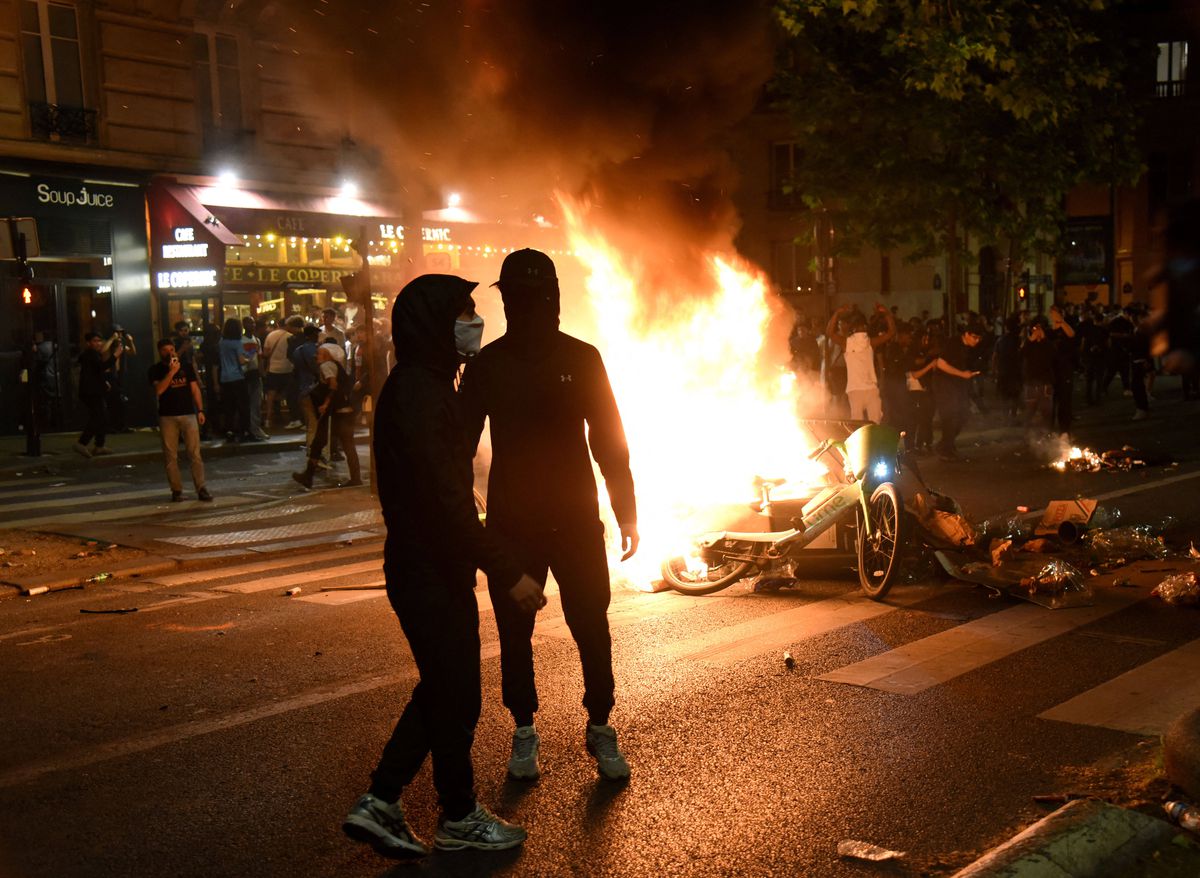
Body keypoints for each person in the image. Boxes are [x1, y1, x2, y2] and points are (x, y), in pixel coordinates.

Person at [343, 274, 540, 858]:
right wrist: (509, 570)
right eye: (464, 312)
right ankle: (405, 802)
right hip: (427, 568)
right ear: (434, 323)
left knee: (451, 692)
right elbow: (448, 504)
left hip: (432, 567)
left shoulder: (425, 384)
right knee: (451, 692)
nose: (474, 321)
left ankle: (438, 811)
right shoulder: (420, 393)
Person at [460, 248, 639, 782]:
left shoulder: (574, 359)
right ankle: (531, 730)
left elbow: (609, 439)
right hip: (519, 522)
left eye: (524, 296)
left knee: (584, 625)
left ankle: (591, 725)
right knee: (543, 631)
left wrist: (626, 510)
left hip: (565, 519)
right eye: (519, 297)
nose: (525, 306)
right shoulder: (492, 364)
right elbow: (461, 442)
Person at [148, 339, 213, 502]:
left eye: (171, 349)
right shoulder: (155, 370)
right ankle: (176, 490)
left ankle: (201, 487)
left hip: (188, 414)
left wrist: (200, 410)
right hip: (167, 416)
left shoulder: (186, 367)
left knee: (194, 453)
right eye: (165, 350)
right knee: (171, 455)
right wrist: (171, 372)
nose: (169, 352)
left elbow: (194, 389)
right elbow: (159, 390)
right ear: (159, 352)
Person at [292, 343, 361, 488]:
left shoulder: (327, 365)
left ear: (328, 355)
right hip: (344, 411)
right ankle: (356, 478)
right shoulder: (336, 366)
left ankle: (308, 476)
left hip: (335, 412)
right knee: (347, 445)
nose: (316, 356)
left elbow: (333, 385)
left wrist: (326, 403)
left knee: (319, 442)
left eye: (319, 353)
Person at [825, 302, 895, 422]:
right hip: (856, 389)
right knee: (859, 423)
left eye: (863, 326)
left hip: (868, 389)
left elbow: (891, 333)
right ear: (854, 329)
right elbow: (830, 333)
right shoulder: (849, 343)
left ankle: (872, 440)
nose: (862, 329)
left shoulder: (867, 342)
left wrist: (887, 314)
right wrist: (887, 314)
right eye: (860, 327)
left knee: (873, 421)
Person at [932, 322, 983, 461]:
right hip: (945, 386)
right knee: (950, 416)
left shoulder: (970, 348)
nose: (976, 341)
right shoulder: (953, 343)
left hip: (958, 386)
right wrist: (962, 374)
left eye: (979, 338)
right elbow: (940, 364)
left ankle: (946, 444)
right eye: (974, 337)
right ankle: (946, 449)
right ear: (966, 334)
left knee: (963, 414)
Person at [74, 332, 113, 458]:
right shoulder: (90, 354)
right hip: (91, 391)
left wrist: (104, 382)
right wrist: (116, 356)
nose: (98, 343)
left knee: (102, 416)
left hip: (93, 390)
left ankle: (99, 445)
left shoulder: (92, 354)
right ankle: (82, 443)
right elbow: (102, 367)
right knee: (98, 417)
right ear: (88, 343)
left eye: (99, 341)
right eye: (95, 341)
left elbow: (95, 372)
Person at [216, 318, 251, 442]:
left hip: (225, 378)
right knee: (243, 405)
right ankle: (244, 431)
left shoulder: (221, 342)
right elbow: (241, 361)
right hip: (237, 377)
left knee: (229, 406)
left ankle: (229, 430)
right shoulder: (237, 343)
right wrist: (248, 359)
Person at [263, 315, 301, 428]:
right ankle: (293, 418)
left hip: (273, 369)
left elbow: (265, 354)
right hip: (288, 368)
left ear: (278, 325)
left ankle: (268, 419)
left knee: (271, 394)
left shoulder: (270, 335)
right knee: (289, 394)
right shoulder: (291, 337)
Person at [1021, 317, 1056, 435]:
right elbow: (1021, 354)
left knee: (1047, 413)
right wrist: (1031, 339)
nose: (1038, 331)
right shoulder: (1028, 343)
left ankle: (1047, 437)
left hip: (1046, 384)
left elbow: (1053, 356)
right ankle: (1028, 438)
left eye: (1040, 329)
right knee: (1030, 412)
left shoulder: (1048, 344)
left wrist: (1044, 339)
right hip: (1031, 383)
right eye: (1035, 328)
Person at [241, 317, 268, 440]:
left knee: (256, 403)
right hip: (245, 374)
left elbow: (260, 358)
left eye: (252, 322)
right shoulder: (240, 340)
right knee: (248, 403)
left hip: (255, 373)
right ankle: (250, 429)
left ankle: (255, 428)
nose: (251, 324)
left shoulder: (256, 339)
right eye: (249, 322)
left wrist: (262, 373)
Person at [105, 325, 136, 432]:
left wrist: (130, 341)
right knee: (111, 402)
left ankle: (122, 426)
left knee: (122, 401)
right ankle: (111, 426)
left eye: (121, 333)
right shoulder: (108, 345)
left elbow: (132, 352)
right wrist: (111, 338)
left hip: (120, 375)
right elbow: (103, 351)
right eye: (117, 332)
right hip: (109, 376)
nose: (119, 335)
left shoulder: (121, 345)